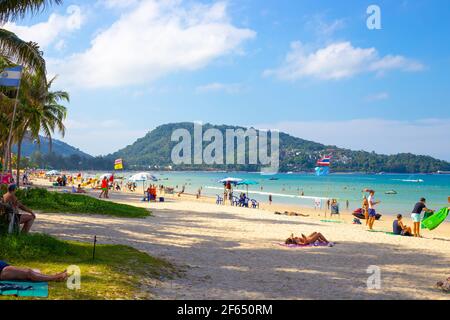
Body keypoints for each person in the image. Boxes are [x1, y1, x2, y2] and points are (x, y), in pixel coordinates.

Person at [0, 261, 67, 282]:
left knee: (34, 271)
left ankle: (54, 276)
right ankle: (56, 277)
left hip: (5, 268)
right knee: (29, 272)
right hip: (3, 271)